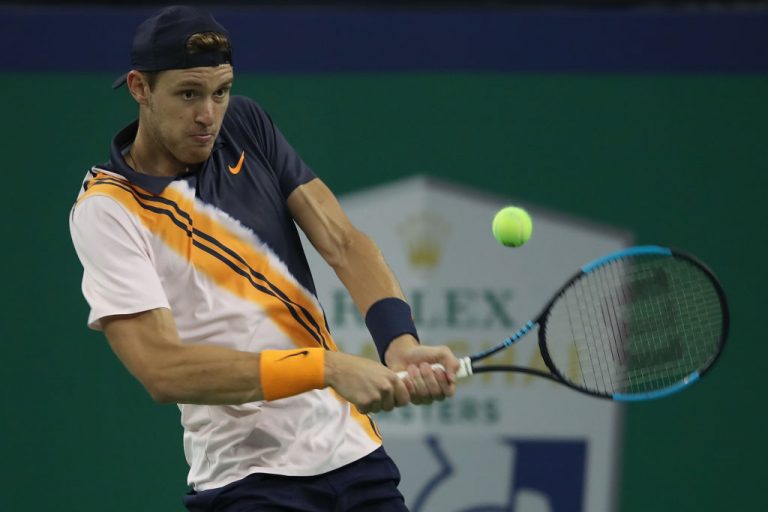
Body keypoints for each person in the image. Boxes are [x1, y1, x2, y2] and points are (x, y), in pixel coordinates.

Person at [68, 5, 460, 512]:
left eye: (221, 92)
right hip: (247, 480)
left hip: (355, 457)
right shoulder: (108, 209)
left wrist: (399, 342)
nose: (208, 115)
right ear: (140, 87)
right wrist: (324, 367)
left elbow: (343, 242)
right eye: (188, 94)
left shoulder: (245, 126)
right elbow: (162, 369)